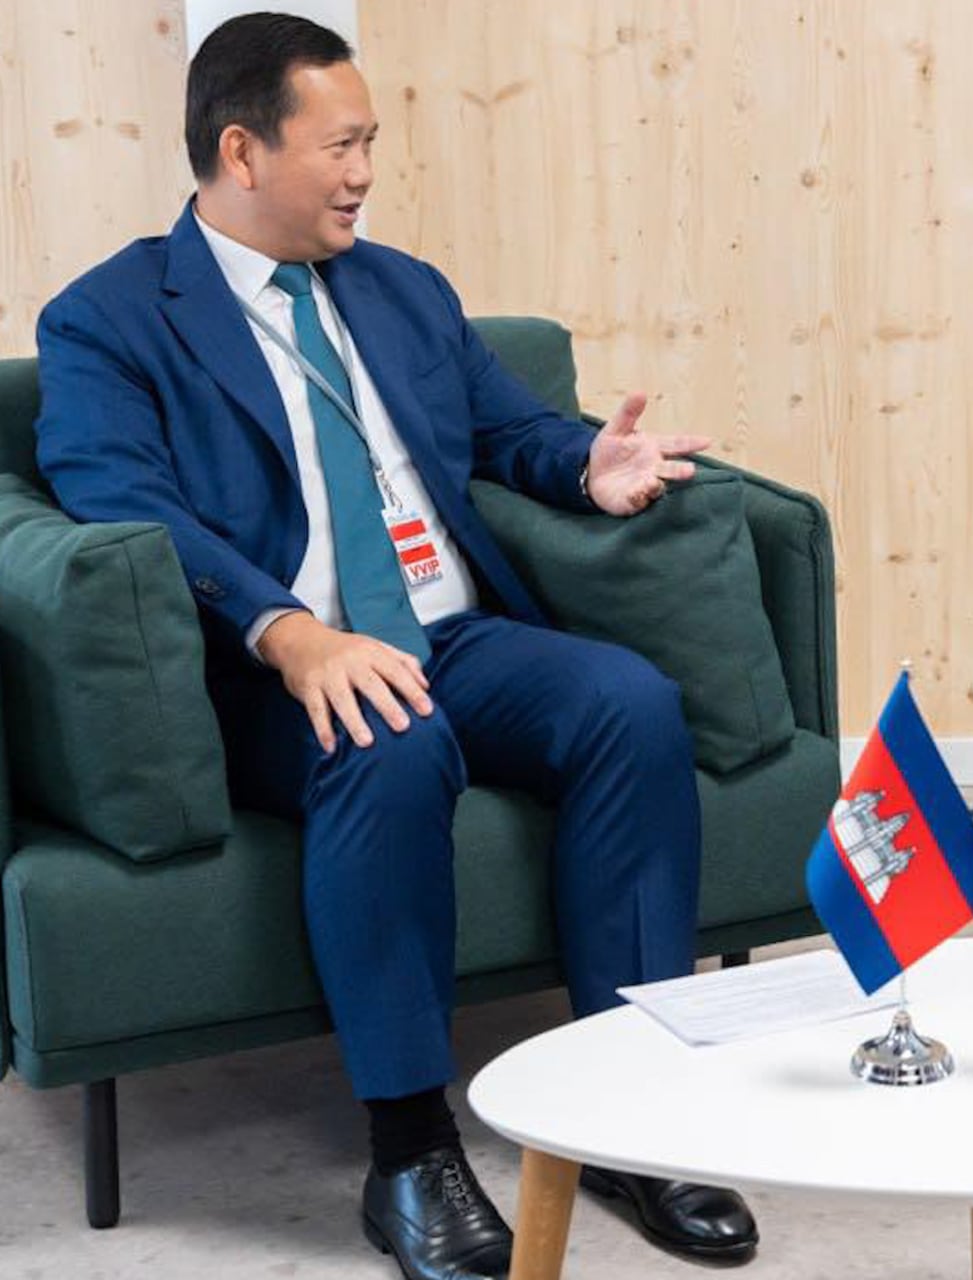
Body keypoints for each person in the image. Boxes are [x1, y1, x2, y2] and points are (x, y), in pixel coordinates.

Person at [34, 13, 759, 1278]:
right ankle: (411, 1148)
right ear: (244, 151)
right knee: (386, 737)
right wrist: (289, 627)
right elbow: (116, 495)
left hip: (450, 630)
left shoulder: (402, 287)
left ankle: (631, 1110)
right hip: (276, 666)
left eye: (373, 142)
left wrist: (590, 463)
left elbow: (505, 431)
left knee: (629, 704)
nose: (367, 172)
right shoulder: (109, 320)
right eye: (345, 144)